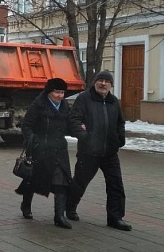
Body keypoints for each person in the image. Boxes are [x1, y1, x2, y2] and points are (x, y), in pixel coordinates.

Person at [67, 70, 131, 231]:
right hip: (88, 152)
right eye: (100, 80)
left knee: (116, 185)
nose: (103, 83)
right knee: (80, 182)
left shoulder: (114, 101)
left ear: (111, 85)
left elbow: (120, 122)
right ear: (95, 82)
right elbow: (74, 119)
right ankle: (69, 207)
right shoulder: (84, 99)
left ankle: (115, 218)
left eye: (107, 81)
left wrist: (119, 139)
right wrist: (85, 137)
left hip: (110, 152)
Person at [16, 78, 82, 228]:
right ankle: (26, 205)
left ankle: (59, 216)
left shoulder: (64, 106)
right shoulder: (38, 105)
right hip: (40, 150)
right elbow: (26, 125)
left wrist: (80, 130)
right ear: (49, 92)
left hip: (59, 150)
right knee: (33, 179)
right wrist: (33, 140)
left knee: (61, 180)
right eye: (56, 92)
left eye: (62, 92)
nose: (59, 96)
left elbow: (69, 125)